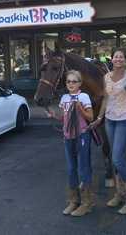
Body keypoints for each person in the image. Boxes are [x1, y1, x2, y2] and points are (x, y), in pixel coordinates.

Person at [92, 48, 126, 215]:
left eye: (121, 57)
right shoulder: (106, 77)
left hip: (125, 119)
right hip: (110, 120)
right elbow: (106, 98)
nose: (118, 59)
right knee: (115, 158)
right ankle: (120, 194)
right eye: (115, 56)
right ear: (111, 59)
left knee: (117, 158)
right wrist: (99, 117)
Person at [47, 70, 95, 217]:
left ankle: (87, 203)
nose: (71, 84)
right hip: (68, 137)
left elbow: (91, 117)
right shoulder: (64, 98)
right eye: (68, 81)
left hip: (81, 136)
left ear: (80, 83)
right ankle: (73, 200)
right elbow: (64, 118)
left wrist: (80, 108)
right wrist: (54, 115)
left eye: (74, 81)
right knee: (71, 169)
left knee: (83, 168)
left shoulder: (84, 96)